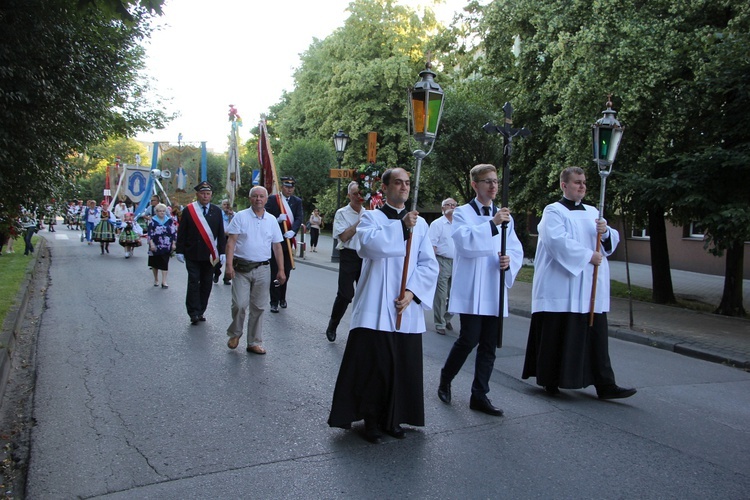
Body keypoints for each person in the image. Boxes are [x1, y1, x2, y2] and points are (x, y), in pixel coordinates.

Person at [328, 168, 438, 444]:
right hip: (376, 304)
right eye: (398, 183)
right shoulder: (371, 218)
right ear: (385, 187)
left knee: (401, 365)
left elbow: (428, 264)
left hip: (405, 306)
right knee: (373, 366)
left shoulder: (421, 225)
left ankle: (394, 417)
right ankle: (372, 419)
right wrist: (402, 227)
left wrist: (412, 292)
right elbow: (371, 247)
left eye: (407, 183)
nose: (403, 187)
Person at [521, 167, 636, 400]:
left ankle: (605, 384)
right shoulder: (553, 211)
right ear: (564, 185)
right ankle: (551, 379)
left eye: (584, 182)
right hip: (562, 286)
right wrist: (587, 256)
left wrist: (605, 233)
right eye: (577, 183)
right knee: (558, 334)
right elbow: (556, 241)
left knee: (596, 338)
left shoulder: (594, 211)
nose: (582, 186)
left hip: (590, 288)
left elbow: (610, 240)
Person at [437, 164, 524, 417]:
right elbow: (464, 243)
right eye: (487, 181)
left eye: (495, 181)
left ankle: (480, 394)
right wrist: (493, 224)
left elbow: (516, 248)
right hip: (473, 288)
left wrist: (510, 261)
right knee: (468, 339)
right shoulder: (462, 213)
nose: (493, 186)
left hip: (494, 286)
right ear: (475, 185)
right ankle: (446, 377)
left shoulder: (505, 215)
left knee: (489, 345)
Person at [225, 187, 287, 355]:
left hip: (263, 269)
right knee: (239, 304)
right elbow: (231, 242)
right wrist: (228, 266)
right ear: (250, 198)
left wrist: (281, 270)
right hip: (242, 268)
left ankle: (254, 342)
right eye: (255, 196)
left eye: (261, 196)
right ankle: (235, 333)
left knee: (258, 307)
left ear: (266, 199)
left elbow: (277, 246)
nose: (258, 199)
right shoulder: (240, 217)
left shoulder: (272, 220)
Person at [175, 181, 226, 325]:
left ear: (211, 195)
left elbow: (220, 233)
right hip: (192, 253)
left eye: (208, 194)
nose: (205, 196)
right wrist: (179, 250)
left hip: (210, 255)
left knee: (206, 283)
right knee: (193, 282)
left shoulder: (216, 211)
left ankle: (201, 310)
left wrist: (222, 251)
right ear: (197, 195)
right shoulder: (189, 210)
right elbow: (182, 232)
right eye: (203, 193)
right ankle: (193, 312)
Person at [325, 182, 364, 342]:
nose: (358, 197)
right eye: (354, 194)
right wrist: (361, 222)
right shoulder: (342, 213)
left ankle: (360, 331)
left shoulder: (370, 212)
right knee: (345, 294)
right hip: (349, 255)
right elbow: (344, 236)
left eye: (360, 193)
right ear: (349, 195)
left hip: (366, 257)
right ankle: (332, 325)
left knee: (365, 295)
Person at [264, 175, 303, 313]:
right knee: (275, 272)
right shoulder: (274, 200)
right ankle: (273, 301)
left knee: (286, 271)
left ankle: (282, 297)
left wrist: (293, 231)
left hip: (288, 241)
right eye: (287, 186)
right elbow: (265, 215)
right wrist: (277, 220)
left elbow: (299, 217)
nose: (289, 189)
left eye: (291, 187)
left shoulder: (297, 201)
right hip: (276, 242)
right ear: (282, 187)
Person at [428, 197, 457, 335]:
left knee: (455, 294)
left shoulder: (459, 224)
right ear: (442, 208)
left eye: (454, 205)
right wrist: (434, 263)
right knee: (441, 294)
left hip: (457, 262)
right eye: (448, 205)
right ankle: (440, 323)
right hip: (442, 261)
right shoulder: (437, 224)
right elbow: (431, 245)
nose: (452, 207)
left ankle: (447, 317)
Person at [147, 203, 177, 288]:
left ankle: (164, 281)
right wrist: (151, 243)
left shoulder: (169, 220)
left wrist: (174, 243)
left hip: (166, 245)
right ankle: (156, 279)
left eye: (163, 211)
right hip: (155, 245)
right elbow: (150, 233)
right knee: (154, 263)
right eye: (160, 211)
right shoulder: (152, 221)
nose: (162, 213)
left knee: (165, 262)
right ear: (156, 212)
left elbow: (173, 232)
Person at [213, 199, 234, 285]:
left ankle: (227, 277)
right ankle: (217, 272)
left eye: (228, 204)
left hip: (231, 238)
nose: (226, 206)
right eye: (225, 204)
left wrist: (231, 216)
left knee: (230, 257)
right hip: (221, 238)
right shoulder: (218, 214)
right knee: (220, 258)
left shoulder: (234, 215)